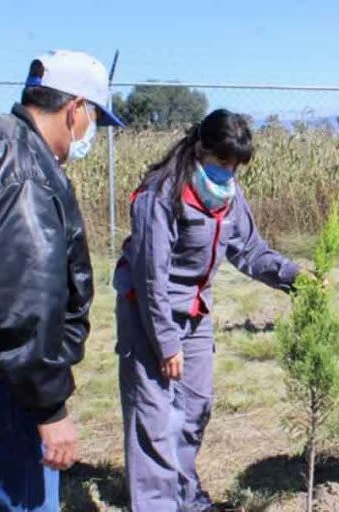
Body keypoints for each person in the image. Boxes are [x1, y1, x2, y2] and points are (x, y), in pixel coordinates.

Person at [0, 50, 124, 511]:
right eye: (93, 118)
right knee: (25, 501)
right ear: (75, 108)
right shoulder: (24, 175)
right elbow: (25, 303)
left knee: (4, 495)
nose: (90, 132)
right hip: (7, 380)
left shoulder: (0, 140)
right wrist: (49, 409)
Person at [112, 109, 301, 511]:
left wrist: (293, 276)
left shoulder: (227, 196)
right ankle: (155, 504)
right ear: (201, 148)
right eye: (221, 164)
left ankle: (186, 497)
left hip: (195, 313)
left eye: (235, 168)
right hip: (150, 313)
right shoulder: (160, 194)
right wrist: (165, 344)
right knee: (155, 419)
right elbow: (150, 278)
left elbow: (249, 249)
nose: (227, 174)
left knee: (195, 409)